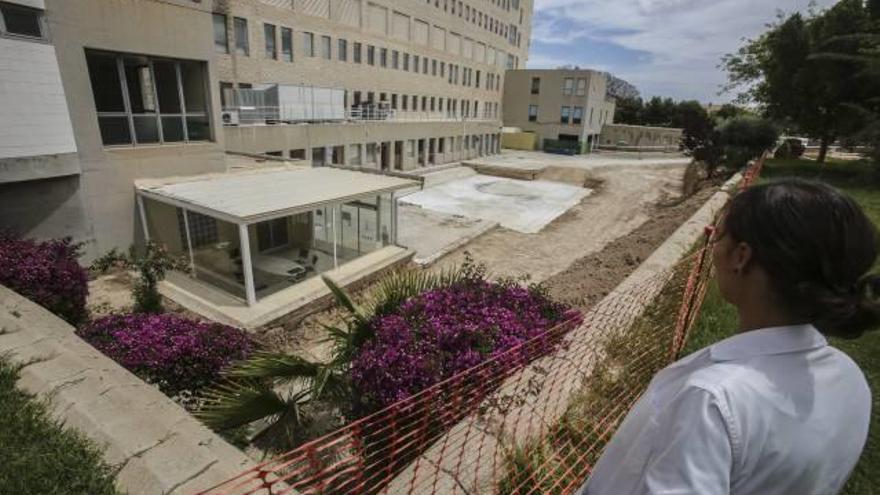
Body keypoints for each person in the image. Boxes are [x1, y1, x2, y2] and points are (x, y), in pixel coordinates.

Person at [578, 179, 876, 495]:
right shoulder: (849, 377)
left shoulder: (711, 400)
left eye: (720, 236)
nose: (714, 248)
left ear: (741, 257)